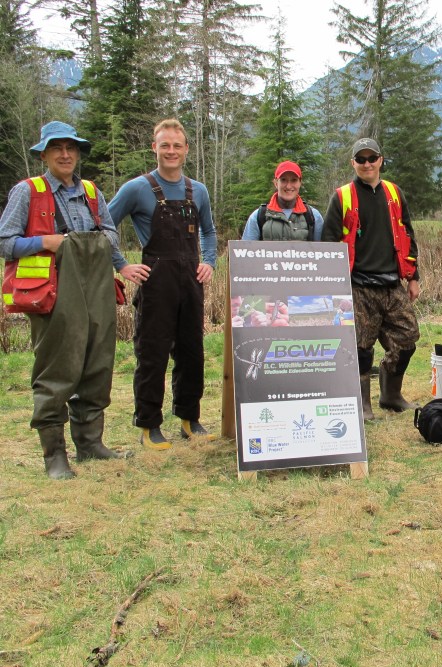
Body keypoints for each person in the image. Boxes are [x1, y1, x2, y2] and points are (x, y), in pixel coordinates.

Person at [0, 122, 139, 477]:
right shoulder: (27, 191)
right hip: (52, 294)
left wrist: (122, 266)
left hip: (96, 289)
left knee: (98, 365)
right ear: (43, 154)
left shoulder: (92, 191)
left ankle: (90, 445)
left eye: (71, 148)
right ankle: (54, 457)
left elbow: (109, 233)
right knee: (57, 370)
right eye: (57, 148)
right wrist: (44, 242)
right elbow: (5, 242)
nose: (65, 154)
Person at [108, 119, 217, 450]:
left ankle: (189, 418)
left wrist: (209, 262)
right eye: (164, 145)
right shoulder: (136, 188)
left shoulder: (197, 190)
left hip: (190, 283)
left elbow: (209, 232)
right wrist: (122, 265)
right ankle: (149, 424)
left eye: (177, 145)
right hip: (156, 283)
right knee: (152, 353)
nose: (171, 151)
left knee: (191, 353)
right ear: (154, 148)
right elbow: (103, 226)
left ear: (186, 150)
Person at [321, 138, 420, 420]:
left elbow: (409, 236)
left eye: (372, 158)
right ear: (353, 163)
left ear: (380, 160)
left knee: (408, 337)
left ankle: (390, 395)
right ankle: (363, 404)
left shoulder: (394, 192)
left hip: (392, 282)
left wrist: (413, 277)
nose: (367, 164)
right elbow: (328, 243)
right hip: (357, 284)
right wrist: (333, 287)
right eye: (361, 159)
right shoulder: (342, 196)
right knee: (360, 346)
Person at [241, 161, 323, 242]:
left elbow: (323, 251)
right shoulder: (258, 216)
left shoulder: (313, 216)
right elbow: (245, 252)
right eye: (283, 180)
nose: (288, 186)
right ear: (276, 183)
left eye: (294, 180)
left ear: (300, 183)